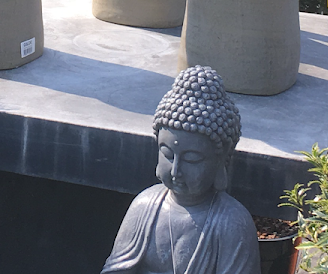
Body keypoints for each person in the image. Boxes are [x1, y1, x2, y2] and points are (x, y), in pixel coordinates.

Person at [102, 66, 259, 274]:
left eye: (192, 159)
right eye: (167, 154)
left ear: (220, 160)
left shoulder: (232, 223)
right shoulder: (144, 207)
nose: (176, 171)